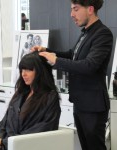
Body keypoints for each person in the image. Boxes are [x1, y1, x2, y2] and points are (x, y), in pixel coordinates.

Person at [31, 0, 113, 150]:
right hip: (80, 103)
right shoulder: (86, 33)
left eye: (75, 9)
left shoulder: (103, 33)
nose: (71, 15)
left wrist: (56, 60)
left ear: (90, 9)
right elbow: (72, 55)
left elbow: (89, 66)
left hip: (93, 106)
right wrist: (47, 51)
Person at [0, 51, 61, 150]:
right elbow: (4, 124)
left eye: (28, 70)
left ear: (40, 71)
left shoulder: (50, 97)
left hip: (22, 146)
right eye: (22, 70)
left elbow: (43, 129)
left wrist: (5, 142)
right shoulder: (20, 94)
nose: (23, 74)